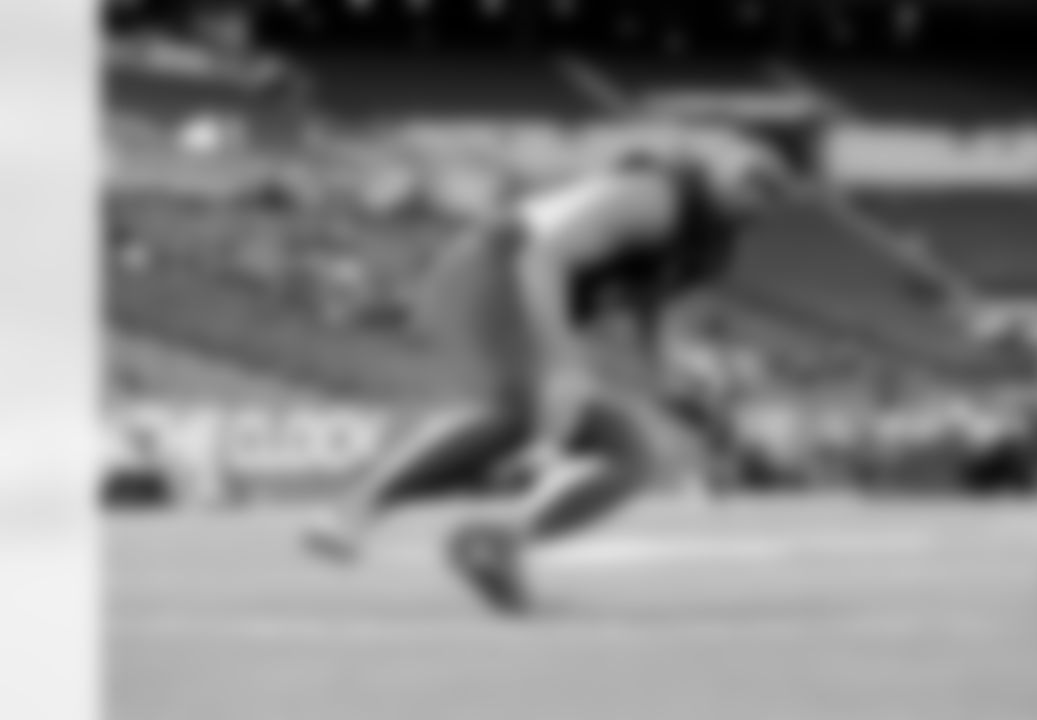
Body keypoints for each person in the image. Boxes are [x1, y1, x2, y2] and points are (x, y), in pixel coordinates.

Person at [303, 134, 795, 614]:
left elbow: (649, 308)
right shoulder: (653, 197)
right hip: (498, 269)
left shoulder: (711, 245)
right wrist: (563, 364)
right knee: (527, 407)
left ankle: (501, 543)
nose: (751, 194)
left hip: (540, 289)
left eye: (765, 190)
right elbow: (543, 258)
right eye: (747, 179)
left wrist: (668, 383)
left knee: (629, 456)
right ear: (715, 169)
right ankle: (355, 509)